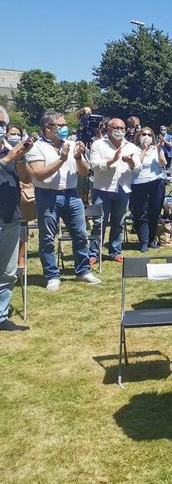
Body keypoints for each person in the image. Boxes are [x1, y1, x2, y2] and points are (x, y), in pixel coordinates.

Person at [25, 111, 102, 291]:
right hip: (47, 195)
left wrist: (77, 157)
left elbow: (83, 171)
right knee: (48, 238)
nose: (65, 128)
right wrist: (62, 159)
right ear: (48, 128)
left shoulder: (71, 144)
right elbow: (39, 174)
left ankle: (83, 270)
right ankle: (52, 275)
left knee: (80, 234)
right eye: (60, 125)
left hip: (71, 194)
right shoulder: (37, 147)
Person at [88, 118, 141, 263]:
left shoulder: (130, 146)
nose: (119, 130)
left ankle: (115, 251)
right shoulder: (98, 144)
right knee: (99, 223)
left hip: (123, 189)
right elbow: (93, 165)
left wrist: (130, 162)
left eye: (122, 128)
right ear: (108, 129)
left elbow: (138, 168)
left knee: (119, 222)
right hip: (102, 189)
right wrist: (112, 160)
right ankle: (93, 253)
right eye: (115, 127)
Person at [0, 114, 31, 331]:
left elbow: (27, 178)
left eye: (2, 124)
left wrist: (20, 158)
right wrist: (8, 159)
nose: (1, 128)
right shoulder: (7, 154)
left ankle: (1, 316)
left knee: (8, 271)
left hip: (10, 217)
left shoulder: (9, 150)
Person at [130, 127, 167, 252]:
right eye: (143, 134)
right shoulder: (133, 149)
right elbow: (136, 164)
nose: (146, 137)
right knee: (141, 213)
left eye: (149, 134)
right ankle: (143, 241)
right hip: (139, 183)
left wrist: (158, 149)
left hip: (156, 182)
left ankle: (151, 239)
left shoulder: (156, 148)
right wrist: (144, 150)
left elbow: (163, 163)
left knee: (155, 212)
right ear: (138, 136)